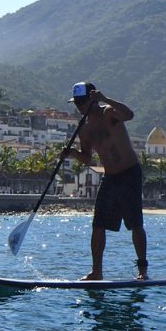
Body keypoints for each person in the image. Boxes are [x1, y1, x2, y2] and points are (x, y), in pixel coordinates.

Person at [62, 82, 148, 280]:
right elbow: (87, 158)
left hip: (130, 173)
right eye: (76, 103)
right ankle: (96, 272)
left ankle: (142, 271)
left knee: (135, 224)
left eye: (81, 102)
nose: (79, 106)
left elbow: (130, 115)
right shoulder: (83, 129)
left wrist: (105, 98)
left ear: (92, 98)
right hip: (110, 177)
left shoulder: (110, 112)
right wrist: (72, 153)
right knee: (98, 224)